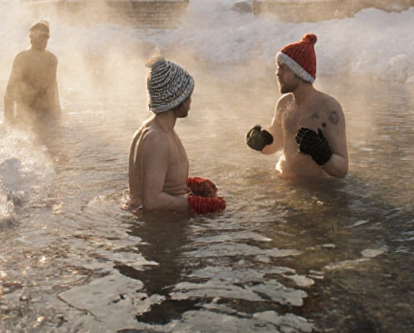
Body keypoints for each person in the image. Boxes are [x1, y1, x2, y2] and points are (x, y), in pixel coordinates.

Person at [127, 57, 226, 214]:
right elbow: (151, 202)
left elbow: (154, 182)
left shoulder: (152, 131)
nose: (190, 101)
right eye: (187, 95)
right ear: (176, 97)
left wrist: (187, 185)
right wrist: (195, 204)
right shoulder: (158, 140)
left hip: (156, 225)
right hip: (160, 230)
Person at [245, 34, 348, 179]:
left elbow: (343, 169)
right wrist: (261, 142)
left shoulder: (328, 108)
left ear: (299, 72)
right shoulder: (284, 103)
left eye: (283, 68)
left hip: (315, 188)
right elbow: (276, 144)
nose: (277, 73)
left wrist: (322, 155)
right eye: (277, 68)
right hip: (284, 180)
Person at [4, 21, 60, 125]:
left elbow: (53, 88)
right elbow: (10, 88)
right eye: (40, 35)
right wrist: (8, 118)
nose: (44, 39)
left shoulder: (52, 60)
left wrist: (58, 114)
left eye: (46, 36)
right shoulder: (22, 58)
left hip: (47, 114)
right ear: (31, 37)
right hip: (26, 112)